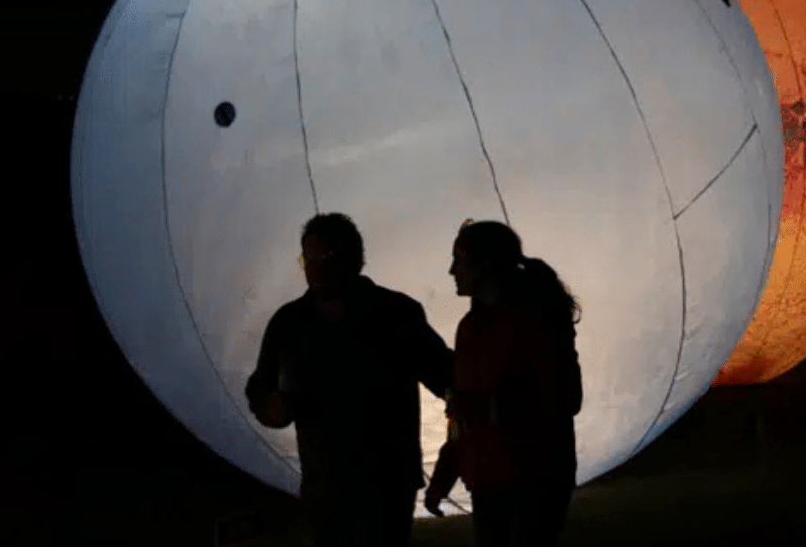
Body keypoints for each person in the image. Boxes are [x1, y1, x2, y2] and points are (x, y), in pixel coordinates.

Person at [245, 213, 453, 547]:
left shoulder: (397, 314)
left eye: (325, 256)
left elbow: (445, 375)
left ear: (354, 258)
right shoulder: (288, 323)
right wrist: (269, 407)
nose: (315, 267)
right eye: (309, 258)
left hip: (386, 483)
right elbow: (260, 386)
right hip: (325, 485)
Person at [431, 219, 583, 546]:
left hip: (535, 477)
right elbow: (462, 412)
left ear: (486, 264)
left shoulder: (538, 320)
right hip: (490, 478)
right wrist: (444, 475)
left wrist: (488, 408)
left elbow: (566, 397)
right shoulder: (471, 327)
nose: (452, 271)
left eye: (459, 260)